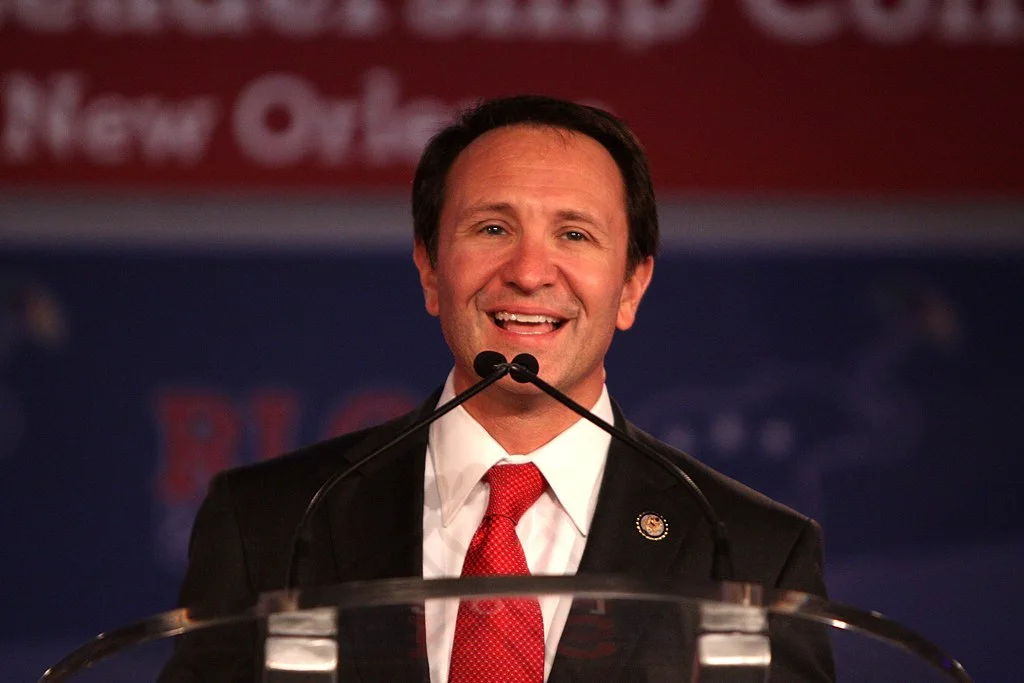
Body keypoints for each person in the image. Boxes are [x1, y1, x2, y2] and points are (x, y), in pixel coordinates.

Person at [161, 95, 834, 682]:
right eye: (492, 229)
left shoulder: (751, 550)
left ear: (632, 285)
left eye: (574, 234)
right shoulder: (272, 524)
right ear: (429, 268)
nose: (530, 271)